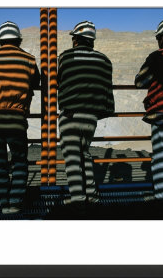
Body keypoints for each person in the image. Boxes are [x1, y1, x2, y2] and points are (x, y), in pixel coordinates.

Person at [0, 21, 40, 214]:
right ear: (19, 40)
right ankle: (16, 202)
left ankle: (4, 204)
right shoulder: (28, 59)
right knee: (19, 161)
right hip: (15, 119)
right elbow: (35, 82)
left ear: (0, 40)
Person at [58, 21, 115, 208]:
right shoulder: (104, 60)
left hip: (71, 115)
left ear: (75, 40)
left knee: (72, 158)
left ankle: (78, 200)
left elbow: (59, 80)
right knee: (84, 153)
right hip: (91, 116)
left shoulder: (65, 57)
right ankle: (92, 194)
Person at [135, 17, 163, 200]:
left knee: (161, 156)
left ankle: (162, 199)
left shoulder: (156, 57)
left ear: (162, 38)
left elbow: (140, 82)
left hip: (162, 114)